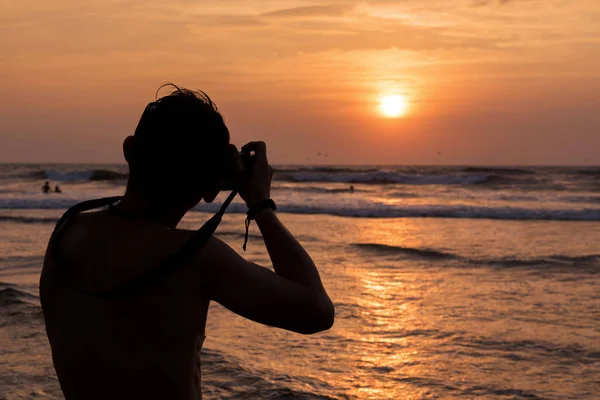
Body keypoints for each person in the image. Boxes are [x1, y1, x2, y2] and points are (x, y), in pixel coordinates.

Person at [39, 85, 334, 400]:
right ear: (211, 189)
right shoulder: (194, 258)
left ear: (129, 150)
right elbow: (315, 311)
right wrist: (259, 202)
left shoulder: (66, 235)